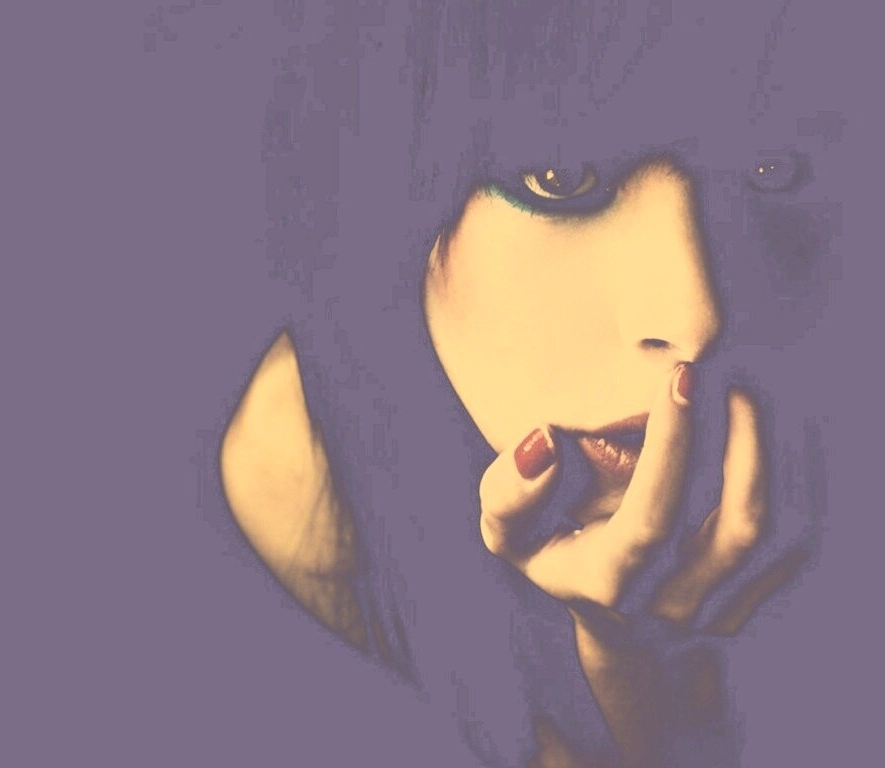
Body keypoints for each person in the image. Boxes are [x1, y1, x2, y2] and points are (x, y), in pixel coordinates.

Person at [218, 2, 838, 765]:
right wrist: (654, 688)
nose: (697, 316)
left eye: (773, 169)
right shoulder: (312, 468)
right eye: (561, 177)